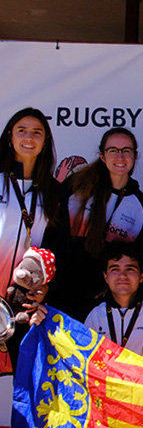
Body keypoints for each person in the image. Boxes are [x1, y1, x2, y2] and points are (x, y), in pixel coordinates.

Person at [0, 108, 68, 364]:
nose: (29, 137)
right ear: (10, 136)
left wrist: (46, 289)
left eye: (37, 132)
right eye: (22, 130)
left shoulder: (54, 191)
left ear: (45, 141)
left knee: (14, 384)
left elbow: (59, 249)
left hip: (22, 305)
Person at [63, 128, 143, 313]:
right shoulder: (76, 187)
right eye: (113, 151)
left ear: (135, 156)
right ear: (102, 156)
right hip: (62, 289)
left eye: (126, 151)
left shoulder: (142, 205)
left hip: (104, 300)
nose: (120, 157)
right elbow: (53, 233)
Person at [83, 244, 143, 355]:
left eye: (130, 269)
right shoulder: (88, 312)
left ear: (142, 276)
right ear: (106, 277)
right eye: (115, 269)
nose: (122, 275)